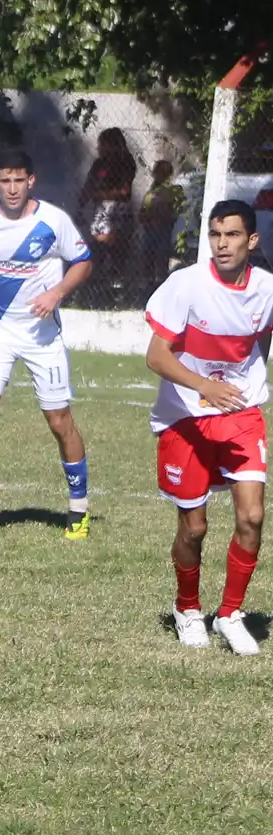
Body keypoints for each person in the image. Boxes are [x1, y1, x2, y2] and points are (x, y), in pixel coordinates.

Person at [145, 200, 272, 656]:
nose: (221, 244)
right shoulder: (186, 284)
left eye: (232, 235)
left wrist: (240, 386)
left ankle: (231, 613)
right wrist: (204, 387)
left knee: (252, 517)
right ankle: (187, 609)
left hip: (241, 414)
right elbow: (156, 356)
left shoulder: (267, 289)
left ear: (251, 240)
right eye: (216, 234)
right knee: (194, 528)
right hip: (186, 417)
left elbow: (261, 341)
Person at [0, 148, 96, 539]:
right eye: (5, 181)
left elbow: (83, 261)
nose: (12, 189)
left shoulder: (53, 220)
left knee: (59, 420)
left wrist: (57, 293)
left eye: (20, 180)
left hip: (40, 333)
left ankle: (78, 509)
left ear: (31, 181)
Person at [78, 127, 137, 296]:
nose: (99, 148)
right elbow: (88, 185)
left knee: (117, 246)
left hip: (118, 210)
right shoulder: (99, 164)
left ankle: (117, 287)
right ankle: (96, 286)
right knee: (98, 246)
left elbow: (124, 190)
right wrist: (80, 205)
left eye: (103, 144)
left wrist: (102, 194)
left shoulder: (125, 162)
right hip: (101, 211)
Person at [139, 160, 186, 287]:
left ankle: (160, 282)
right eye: (157, 172)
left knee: (161, 257)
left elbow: (177, 210)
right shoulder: (152, 191)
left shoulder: (173, 190)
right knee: (147, 255)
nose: (158, 175)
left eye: (162, 172)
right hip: (150, 228)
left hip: (163, 228)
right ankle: (147, 282)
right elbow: (143, 211)